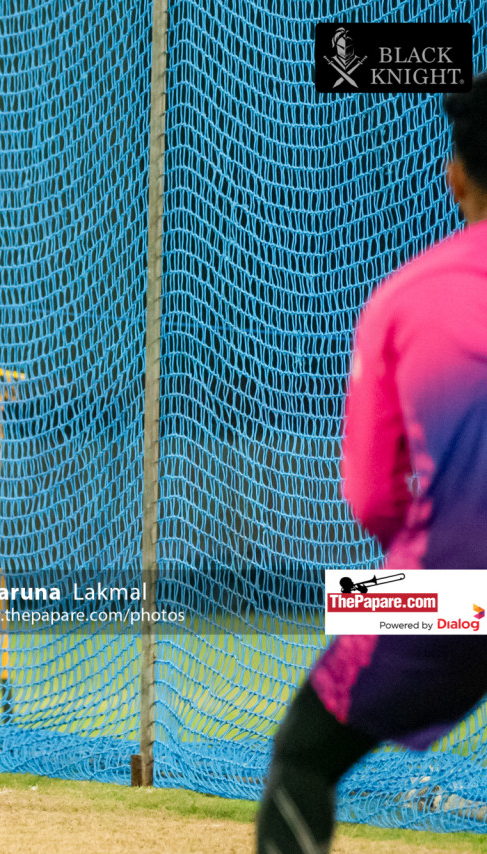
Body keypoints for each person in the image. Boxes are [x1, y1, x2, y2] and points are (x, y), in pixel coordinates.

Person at [256, 73, 487, 853]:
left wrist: (413, 568)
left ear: (455, 174)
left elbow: (369, 495)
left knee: (303, 754)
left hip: (453, 588)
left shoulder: (403, 297)